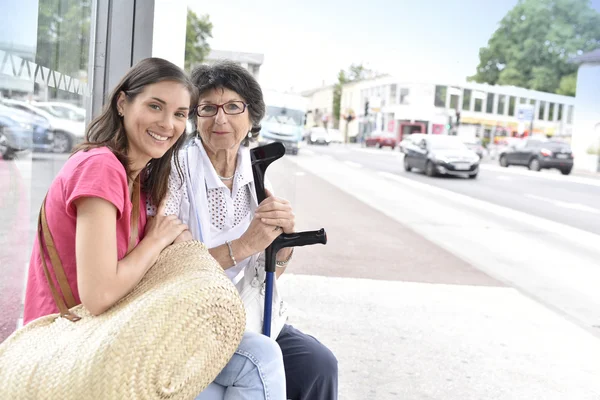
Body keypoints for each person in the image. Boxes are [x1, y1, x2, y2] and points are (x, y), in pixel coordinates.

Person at [22, 57, 285, 400]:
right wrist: (156, 241)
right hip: (77, 342)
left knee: (244, 370)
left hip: (117, 328)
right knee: (257, 359)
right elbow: (98, 296)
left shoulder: (141, 178)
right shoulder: (102, 168)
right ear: (122, 103)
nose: (167, 124)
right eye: (155, 107)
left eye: (178, 114)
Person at [162, 60, 338, 400]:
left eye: (233, 107)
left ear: (251, 115)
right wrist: (244, 244)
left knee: (319, 364)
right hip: (195, 320)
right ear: (194, 116)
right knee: (263, 361)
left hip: (251, 313)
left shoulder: (256, 174)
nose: (221, 119)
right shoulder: (177, 172)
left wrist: (283, 245)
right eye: (208, 108)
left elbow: (268, 271)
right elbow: (171, 272)